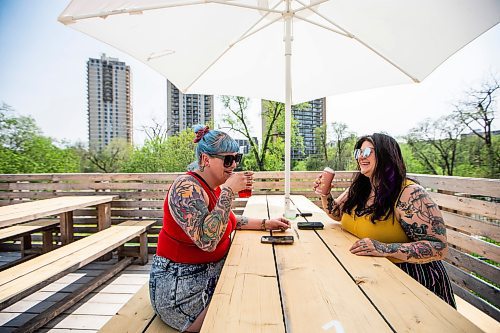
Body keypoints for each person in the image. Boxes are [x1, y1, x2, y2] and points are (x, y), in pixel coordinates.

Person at [150, 125, 291, 332]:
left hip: (208, 273)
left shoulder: (212, 187)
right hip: (180, 289)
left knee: (265, 281)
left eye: (236, 158)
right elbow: (207, 240)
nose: (233, 165)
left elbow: (230, 221)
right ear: (206, 159)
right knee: (254, 304)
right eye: (228, 159)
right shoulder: (186, 188)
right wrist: (228, 192)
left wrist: (264, 223)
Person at [313, 133, 456, 308]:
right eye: (359, 152)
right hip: (370, 277)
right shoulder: (361, 187)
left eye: (367, 152)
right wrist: (325, 194)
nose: (361, 157)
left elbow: (438, 247)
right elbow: (337, 214)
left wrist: (384, 248)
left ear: (386, 154)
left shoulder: (410, 193)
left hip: (410, 281)